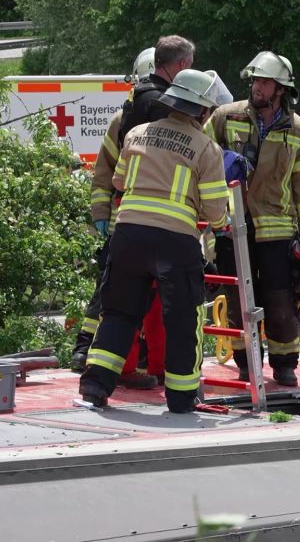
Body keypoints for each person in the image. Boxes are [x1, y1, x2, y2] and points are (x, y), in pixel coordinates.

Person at [78, 69, 229, 412]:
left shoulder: (137, 134)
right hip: (176, 241)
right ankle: (180, 397)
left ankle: (95, 385)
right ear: (203, 112)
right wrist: (220, 225)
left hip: (128, 234)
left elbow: (118, 182)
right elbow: (216, 209)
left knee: (118, 312)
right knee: (182, 318)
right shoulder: (206, 148)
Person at [71, 36, 196, 388]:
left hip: (127, 224)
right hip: (157, 226)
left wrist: (102, 212)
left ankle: (108, 368)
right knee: (142, 303)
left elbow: (109, 171)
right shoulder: (175, 122)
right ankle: (135, 366)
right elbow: (107, 171)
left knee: (119, 302)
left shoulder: (128, 118)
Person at [205, 51, 300, 387]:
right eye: (254, 80)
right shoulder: (227, 117)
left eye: (264, 82)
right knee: (240, 300)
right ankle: (246, 363)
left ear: (281, 88)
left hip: (277, 230)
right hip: (231, 227)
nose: (257, 87)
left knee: (280, 299)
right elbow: (201, 151)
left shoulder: (298, 130)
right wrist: (224, 162)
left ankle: (285, 365)